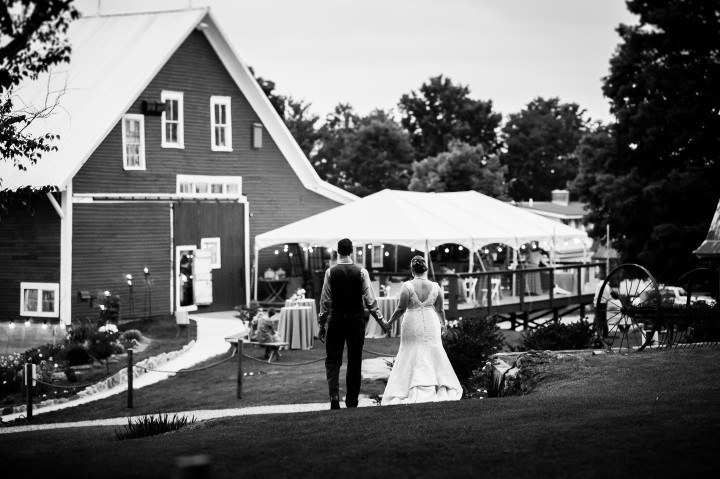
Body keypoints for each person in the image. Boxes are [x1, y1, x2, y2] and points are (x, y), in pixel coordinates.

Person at [318, 238, 389, 410]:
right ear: (351, 251)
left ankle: (334, 397)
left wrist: (321, 324)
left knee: (333, 361)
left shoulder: (330, 273)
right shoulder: (362, 272)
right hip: (356, 321)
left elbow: (325, 302)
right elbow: (371, 302)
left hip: (336, 320)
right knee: (355, 361)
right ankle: (352, 402)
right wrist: (382, 322)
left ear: (337, 251)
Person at [381, 256, 462, 405]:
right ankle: (435, 384)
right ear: (426, 269)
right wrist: (443, 324)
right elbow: (440, 309)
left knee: (410, 350)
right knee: (433, 349)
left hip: (412, 322)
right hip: (431, 321)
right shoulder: (436, 287)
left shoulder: (407, 286)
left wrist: (389, 322)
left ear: (412, 270)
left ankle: (409, 387)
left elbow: (401, 308)